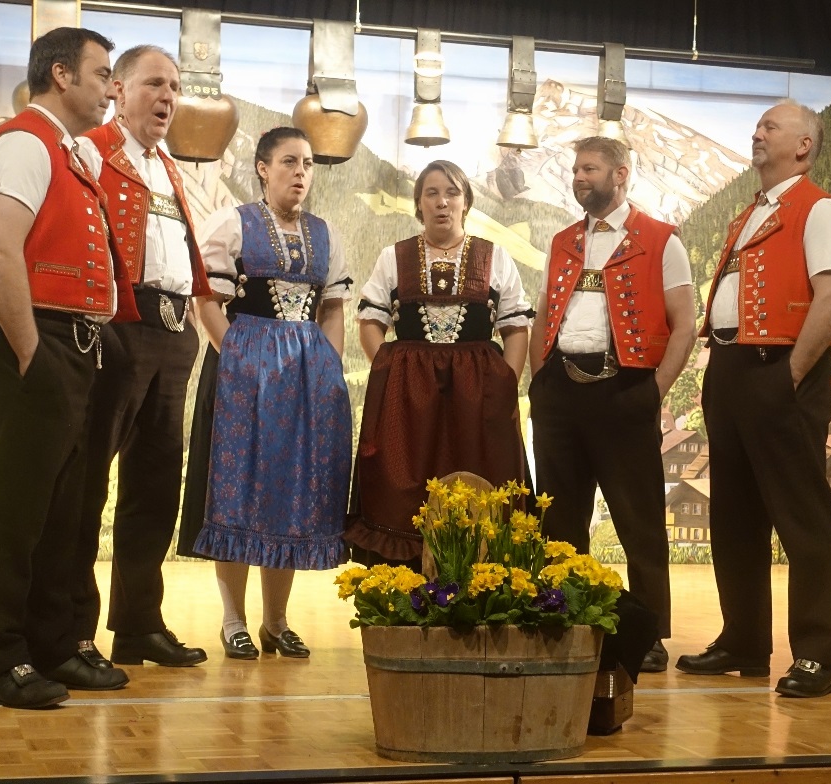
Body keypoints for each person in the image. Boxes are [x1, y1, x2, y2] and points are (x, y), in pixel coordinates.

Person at [0, 27, 130, 708]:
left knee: (62, 509)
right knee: (15, 507)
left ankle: (51, 647)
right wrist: (32, 352)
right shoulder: (24, 142)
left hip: (68, 341)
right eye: (102, 73)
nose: (111, 87)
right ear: (62, 75)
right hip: (27, 337)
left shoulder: (64, 149)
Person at [675, 100, 831, 698]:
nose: (757, 133)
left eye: (769, 126)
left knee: (803, 517)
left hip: (778, 368)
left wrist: (789, 376)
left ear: (803, 145)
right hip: (732, 367)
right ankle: (745, 641)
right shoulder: (754, 212)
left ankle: (819, 655)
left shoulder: (819, 209)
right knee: (734, 515)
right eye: (756, 126)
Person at [177, 127, 351, 660]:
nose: (300, 172)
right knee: (238, 487)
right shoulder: (233, 224)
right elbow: (206, 299)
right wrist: (236, 359)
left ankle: (276, 621)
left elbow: (333, 308)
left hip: (304, 378)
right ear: (262, 168)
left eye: (307, 164)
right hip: (243, 374)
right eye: (289, 161)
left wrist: (329, 368)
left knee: (290, 491)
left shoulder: (324, 234)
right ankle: (233, 619)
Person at [528, 136, 696, 673]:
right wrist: (538, 382)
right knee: (560, 519)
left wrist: (653, 391)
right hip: (560, 392)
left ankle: (649, 635)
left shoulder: (662, 240)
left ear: (620, 174)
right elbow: (543, 315)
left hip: (625, 390)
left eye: (590, 169)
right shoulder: (562, 241)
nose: (579, 177)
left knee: (639, 520)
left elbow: (685, 325)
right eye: (576, 170)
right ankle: (565, 620)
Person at [70, 45, 211, 669]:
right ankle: (71, 631)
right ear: (119, 91)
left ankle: (137, 625)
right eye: (155, 83)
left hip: (173, 330)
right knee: (86, 480)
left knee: (154, 486)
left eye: (174, 87)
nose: (168, 97)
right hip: (119, 325)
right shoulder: (91, 151)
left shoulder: (167, 166)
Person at [344, 160, 533, 564]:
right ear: (419, 203)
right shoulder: (394, 257)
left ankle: (483, 576)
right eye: (431, 193)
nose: (442, 202)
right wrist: (390, 373)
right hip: (410, 398)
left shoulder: (495, 257)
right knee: (405, 484)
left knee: (481, 477)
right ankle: (405, 578)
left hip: (478, 396)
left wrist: (504, 382)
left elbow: (516, 327)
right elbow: (371, 321)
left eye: (452, 193)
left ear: (466, 202)